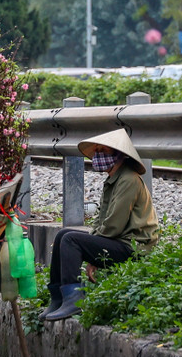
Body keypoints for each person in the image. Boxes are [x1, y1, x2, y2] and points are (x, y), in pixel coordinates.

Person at [41, 128, 159, 322]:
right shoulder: (114, 179)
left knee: (71, 240)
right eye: (97, 152)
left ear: (119, 154)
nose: (98, 156)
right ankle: (58, 297)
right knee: (63, 235)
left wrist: (93, 256)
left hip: (133, 248)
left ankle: (74, 299)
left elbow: (114, 225)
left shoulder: (128, 180)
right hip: (118, 242)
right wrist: (93, 246)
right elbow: (101, 219)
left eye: (103, 151)